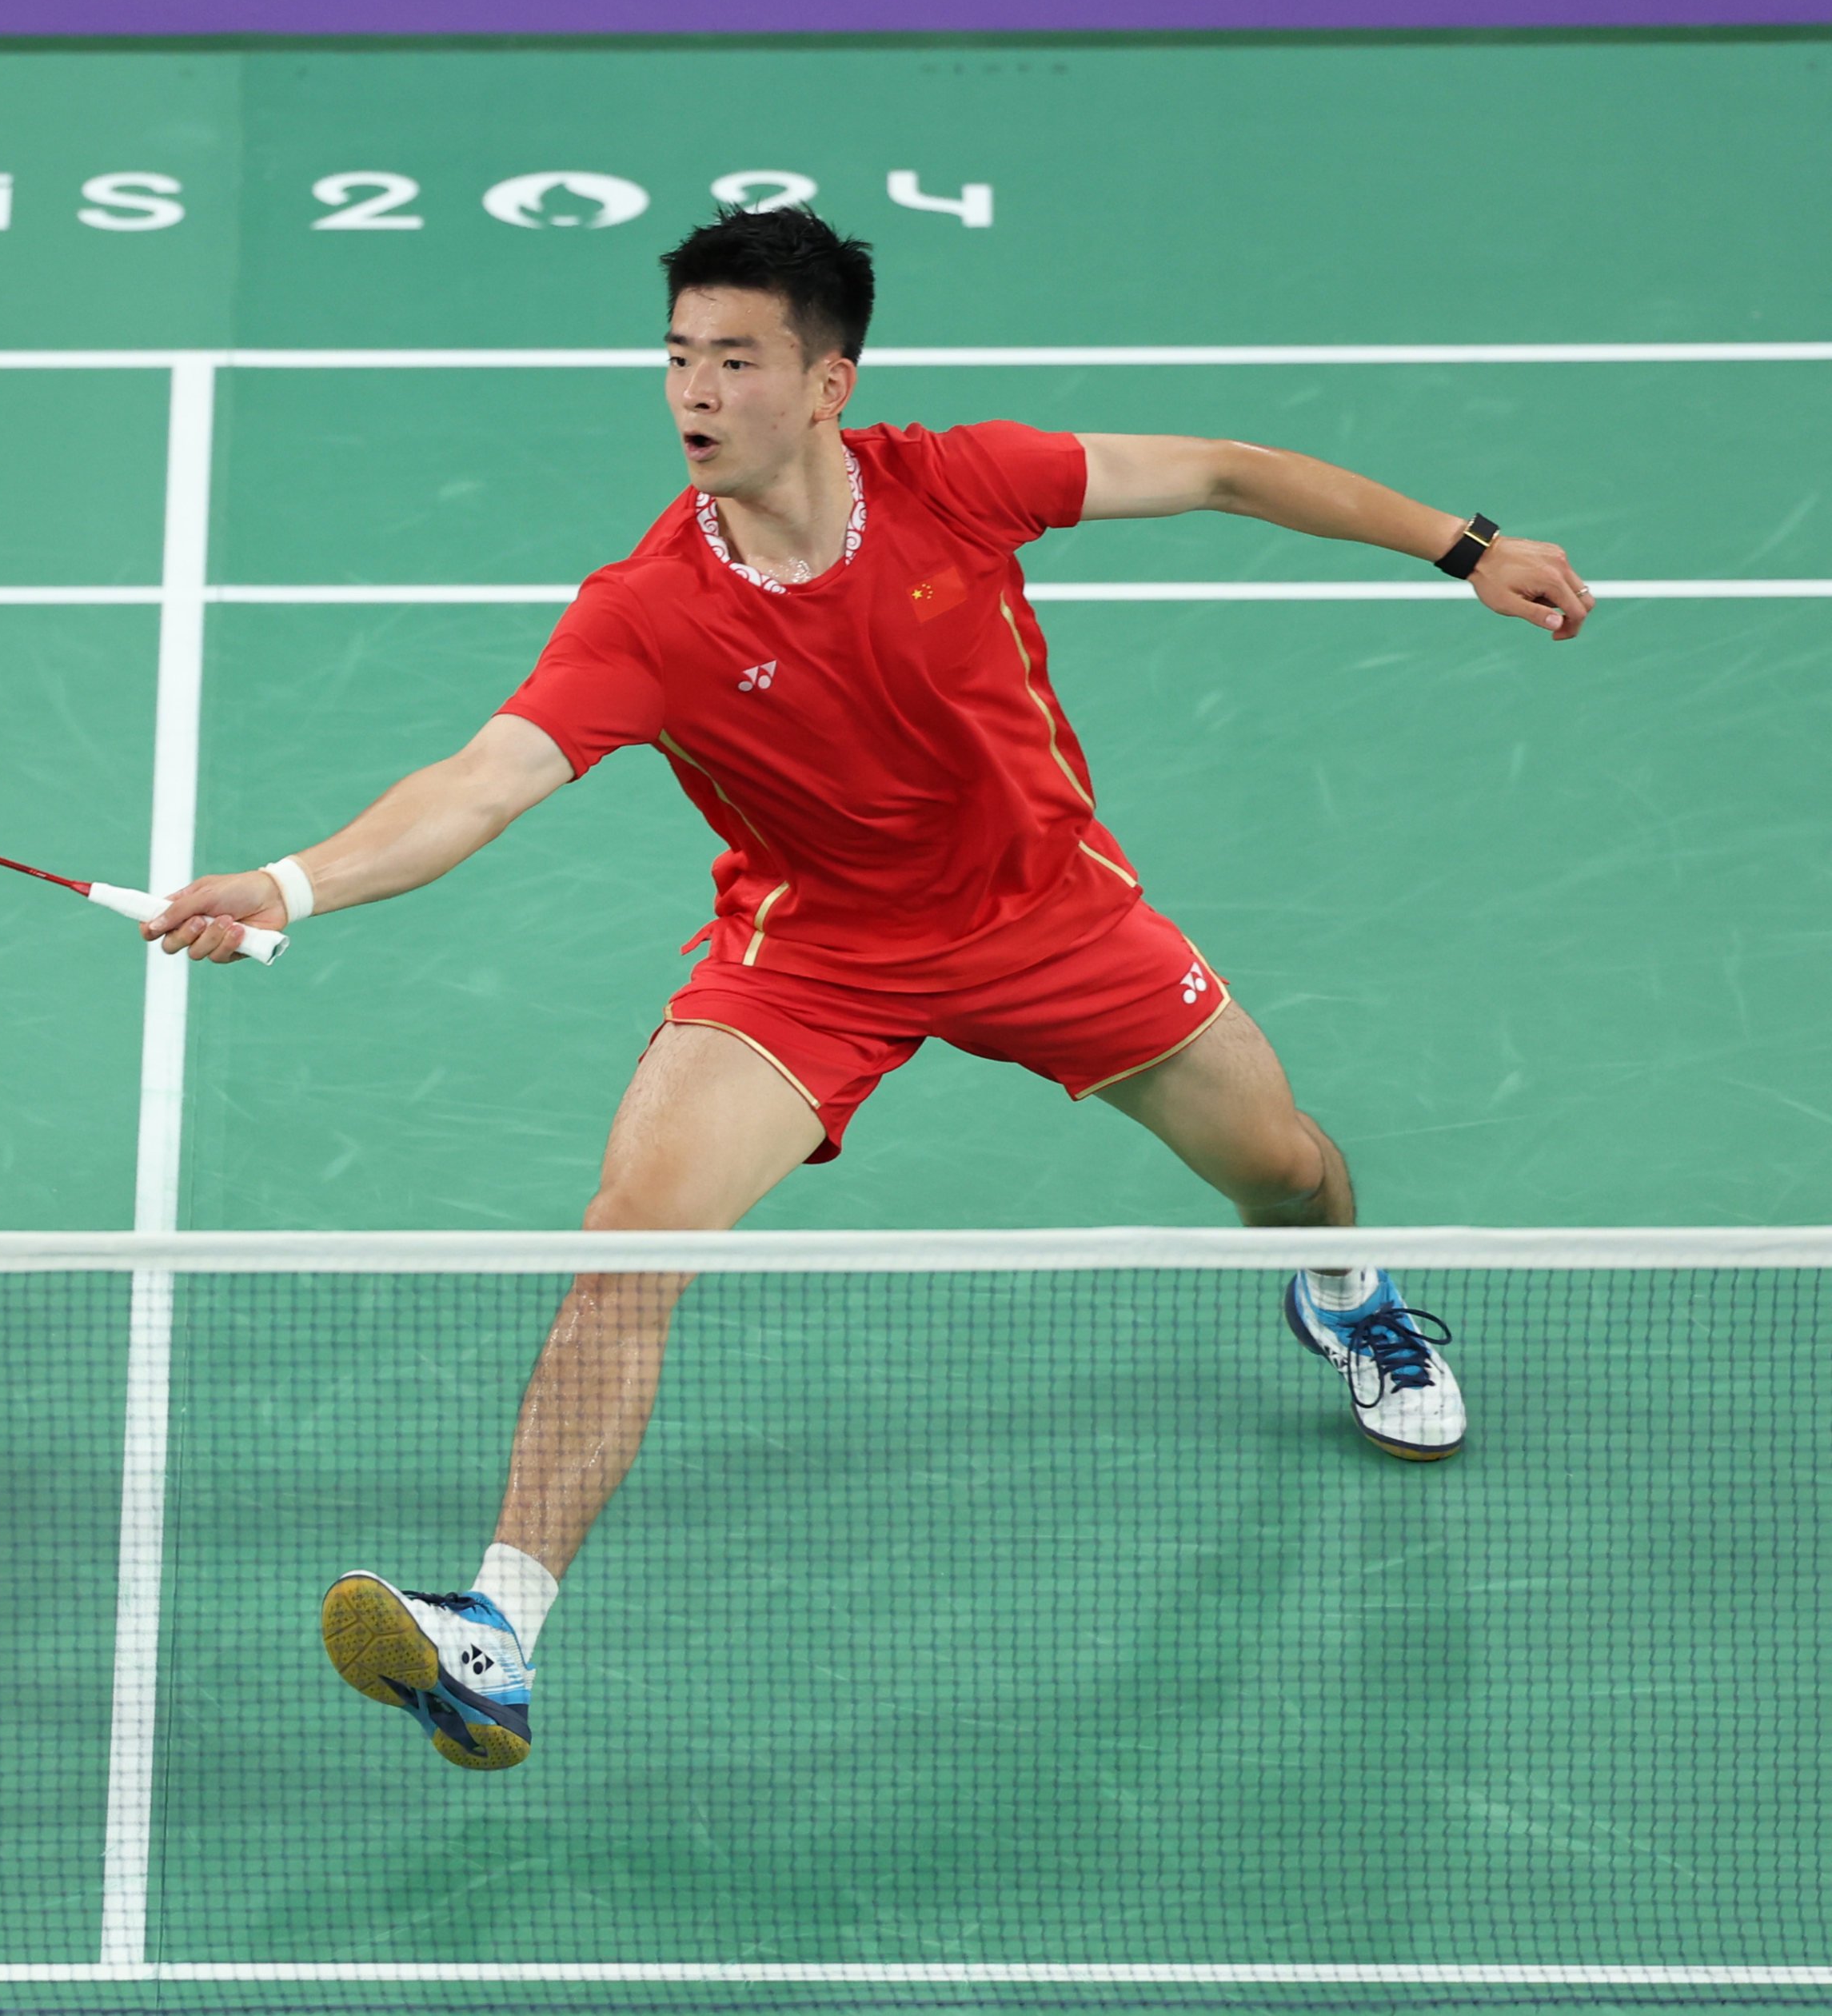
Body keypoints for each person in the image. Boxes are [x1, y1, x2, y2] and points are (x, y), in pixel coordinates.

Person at [142, 207, 1592, 1774]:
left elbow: (1227, 469)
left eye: (736, 360)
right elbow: (481, 784)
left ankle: (1344, 1297)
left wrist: (1466, 545)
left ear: (828, 379)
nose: (694, 392)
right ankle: (495, 1624)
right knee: (628, 1240)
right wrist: (287, 883)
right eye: (677, 357)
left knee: (1285, 1166)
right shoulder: (648, 611)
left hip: (1050, 920)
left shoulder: (957, 483)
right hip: (811, 957)